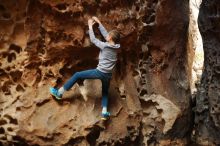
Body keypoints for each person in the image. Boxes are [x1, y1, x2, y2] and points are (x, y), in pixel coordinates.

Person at [49, 16, 120, 120]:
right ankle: (104, 112)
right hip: (108, 75)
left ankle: (59, 93)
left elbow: (93, 39)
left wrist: (90, 26)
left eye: (108, 35)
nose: (107, 35)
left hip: (100, 72)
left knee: (77, 75)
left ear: (110, 38)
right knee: (105, 91)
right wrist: (99, 22)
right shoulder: (116, 47)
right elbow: (106, 36)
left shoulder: (105, 46)